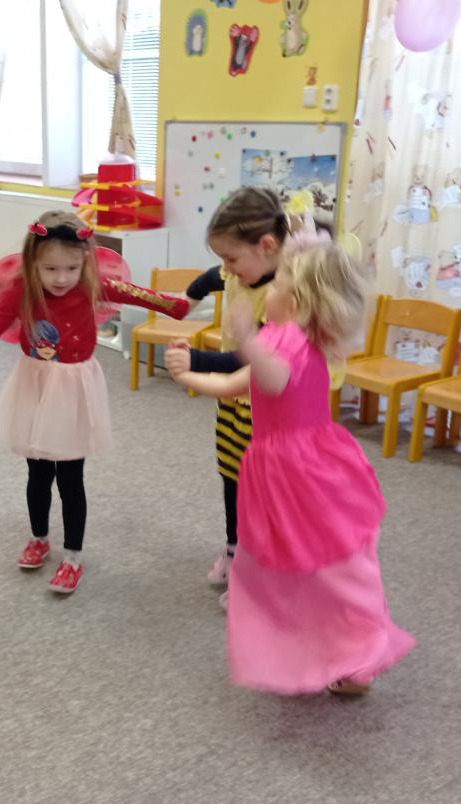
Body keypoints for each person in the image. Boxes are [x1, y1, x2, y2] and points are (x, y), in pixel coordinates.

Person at [172, 237, 415, 696]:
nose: (270, 287)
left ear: (299, 302)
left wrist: (246, 338)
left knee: (327, 566)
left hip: (304, 473)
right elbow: (238, 384)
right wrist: (188, 375)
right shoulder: (278, 339)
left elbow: (273, 377)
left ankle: (359, 654)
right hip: (284, 471)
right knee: (297, 564)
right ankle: (326, 649)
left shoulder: (294, 344)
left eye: (279, 281)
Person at [0, 210, 190, 595]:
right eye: (50, 268)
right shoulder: (23, 290)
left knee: (70, 478)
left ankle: (73, 556)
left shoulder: (93, 284)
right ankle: (39, 538)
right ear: (32, 261)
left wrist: (180, 306)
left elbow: (142, 295)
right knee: (37, 473)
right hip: (33, 385)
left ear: (86, 260)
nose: (61, 278)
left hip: (73, 390)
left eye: (71, 268)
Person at [164, 187, 289, 610]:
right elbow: (209, 278)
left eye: (231, 259)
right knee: (232, 476)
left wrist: (194, 360)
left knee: (260, 490)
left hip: (265, 406)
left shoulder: (283, 297)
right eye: (223, 258)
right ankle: (235, 548)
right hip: (234, 404)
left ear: (266, 246)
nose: (226, 269)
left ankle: (259, 570)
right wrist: (187, 299)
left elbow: (250, 358)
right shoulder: (239, 271)